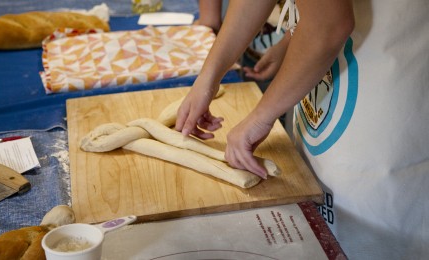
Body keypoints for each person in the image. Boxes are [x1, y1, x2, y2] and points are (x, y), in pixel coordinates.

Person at [176, 0, 429, 259]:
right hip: (324, 85)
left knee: (369, 240)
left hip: (382, 103)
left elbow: (328, 26)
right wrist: (209, 76)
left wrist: (260, 117)